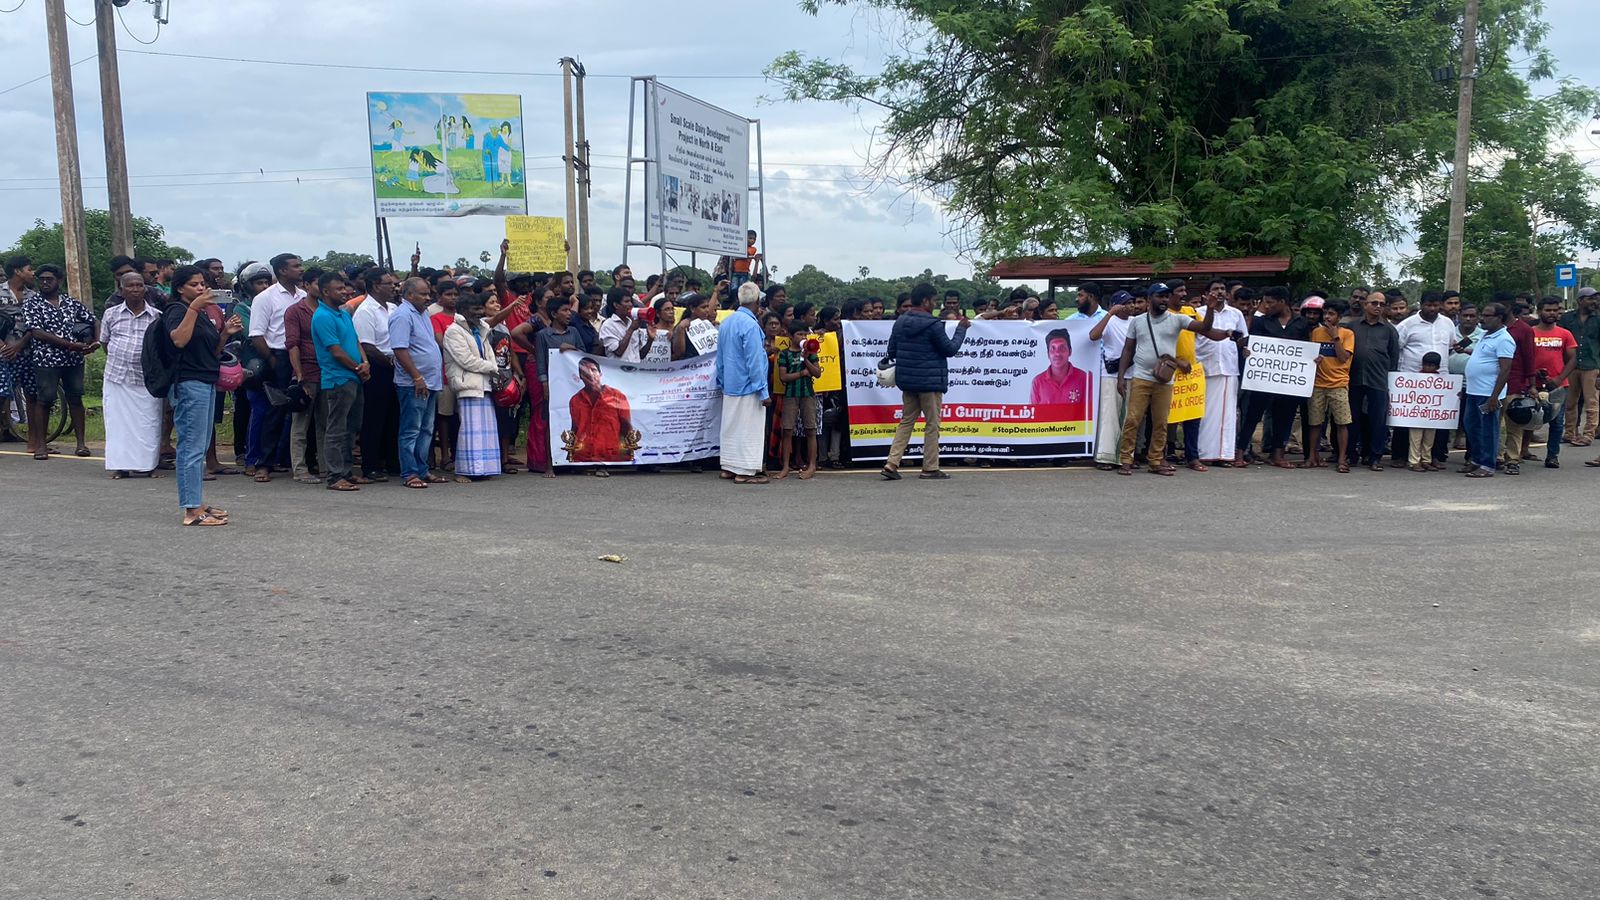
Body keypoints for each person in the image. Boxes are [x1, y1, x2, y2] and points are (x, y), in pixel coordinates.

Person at [1116, 283, 1224, 475]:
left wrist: (1209, 309)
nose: (1164, 300)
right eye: (1160, 296)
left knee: (1161, 422)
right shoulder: (1137, 321)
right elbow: (1128, 349)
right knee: (1132, 419)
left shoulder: (1177, 319)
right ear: (1149, 299)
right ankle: (1126, 459)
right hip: (1141, 377)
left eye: (1166, 296)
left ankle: (1155, 461)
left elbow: (1205, 328)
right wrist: (1121, 377)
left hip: (1164, 380)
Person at [164, 265, 242, 525]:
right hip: (188, 382)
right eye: (194, 284)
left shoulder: (201, 313)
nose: (201, 288)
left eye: (202, 284)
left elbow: (212, 351)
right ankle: (192, 510)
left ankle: (197, 501)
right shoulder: (177, 310)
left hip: (206, 379)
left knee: (200, 443)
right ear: (179, 288)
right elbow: (178, 340)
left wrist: (225, 333)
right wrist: (194, 308)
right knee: (191, 446)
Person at [881, 282, 971, 480]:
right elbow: (949, 349)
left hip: (908, 381)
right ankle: (930, 467)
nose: (936, 304)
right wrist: (961, 330)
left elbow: (892, 351)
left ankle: (891, 463)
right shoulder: (933, 324)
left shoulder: (900, 322)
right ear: (925, 301)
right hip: (930, 383)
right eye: (934, 300)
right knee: (932, 424)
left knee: (906, 422)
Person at [1232, 286, 1312, 470]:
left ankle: (1277, 455)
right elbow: (1254, 344)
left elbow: (1306, 348)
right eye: (1265, 302)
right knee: (1252, 415)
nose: (1266, 306)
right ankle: (1240, 453)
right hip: (1262, 380)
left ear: (1282, 302)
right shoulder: (1261, 322)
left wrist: (1312, 358)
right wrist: (1248, 351)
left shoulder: (1302, 323)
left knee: (1285, 417)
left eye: (1270, 302)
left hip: (1288, 381)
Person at [23, 264, 97, 460]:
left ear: (60, 281)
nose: (45, 282)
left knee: (76, 398)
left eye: (49, 279)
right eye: (41, 279)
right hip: (46, 359)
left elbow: (93, 320)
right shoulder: (32, 303)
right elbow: (36, 332)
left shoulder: (71, 303)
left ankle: (81, 444)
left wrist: (95, 342)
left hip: (73, 360)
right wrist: (69, 344)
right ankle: (41, 445)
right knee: (44, 400)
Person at [245, 253, 305, 481]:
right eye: (296, 266)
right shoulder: (266, 298)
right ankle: (264, 463)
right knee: (275, 412)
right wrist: (273, 361)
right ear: (282, 271)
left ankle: (292, 460)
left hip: (302, 355)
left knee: (301, 409)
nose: (301, 269)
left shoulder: (304, 296)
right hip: (278, 355)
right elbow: (257, 335)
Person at [99, 271, 163, 478]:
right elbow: (105, 343)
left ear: (145, 288)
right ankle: (121, 467)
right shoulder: (111, 314)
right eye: (131, 285)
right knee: (118, 424)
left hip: (146, 380)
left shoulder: (156, 316)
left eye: (139, 285)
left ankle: (148, 466)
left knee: (148, 423)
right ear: (121, 290)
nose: (136, 289)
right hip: (117, 377)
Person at [311, 272, 369, 492]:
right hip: (338, 378)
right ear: (326, 292)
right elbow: (335, 351)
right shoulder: (322, 316)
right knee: (336, 428)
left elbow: (355, 341)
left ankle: (346, 471)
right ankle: (335, 476)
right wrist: (357, 367)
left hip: (354, 377)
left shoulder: (343, 314)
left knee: (351, 428)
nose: (345, 292)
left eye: (345, 288)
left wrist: (365, 362)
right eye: (339, 289)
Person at [390, 276, 446, 489]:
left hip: (430, 381)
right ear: (410, 294)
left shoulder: (422, 314)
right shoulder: (402, 315)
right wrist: (416, 377)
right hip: (413, 383)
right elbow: (400, 349)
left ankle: (422, 470)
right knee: (411, 429)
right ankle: (410, 473)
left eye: (428, 293)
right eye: (423, 294)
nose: (428, 297)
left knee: (426, 429)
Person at [441, 293, 503, 481]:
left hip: (484, 384)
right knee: (469, 430)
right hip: (467, 384)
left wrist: (493, 368)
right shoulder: (453, 331)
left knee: (485, 430)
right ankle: (463, 470)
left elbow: (489, 353)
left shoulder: (481, 328)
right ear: (463, 310)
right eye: (475, 309)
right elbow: (466, 360)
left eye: (480, 308)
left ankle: (482, 469)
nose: (479, 312)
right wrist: (492, 368)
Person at [715, 281, 771, 484]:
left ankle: (729, 467)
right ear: (757, 302)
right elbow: (754, 361)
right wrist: (763, 391)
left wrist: (722, 382)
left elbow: (720, 358)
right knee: (749, 429)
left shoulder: (727, 322)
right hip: (749, 387)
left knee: (731, 427)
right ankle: (745, 472)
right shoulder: (750, 325)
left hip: (730, 384)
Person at [1393, 291, 1457, 467]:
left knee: (1438, 420)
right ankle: (1401, 456)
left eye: (1436, 305)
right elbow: (1397, 348)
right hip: (1412, 380)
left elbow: (1450, 346)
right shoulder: (1407, 325)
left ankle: (1434, 457)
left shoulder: (1448, 323)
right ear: (1421, 305)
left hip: (1440, 380)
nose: (1432, 309)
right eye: (1429, 305)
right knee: (1407, 419)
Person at [528, 296, 585, 476]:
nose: (569, 314)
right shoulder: (543, 335)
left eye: (569, 310)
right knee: (551, 423)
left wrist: (572, 349)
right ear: (554, 314)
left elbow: (584, 356)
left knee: (575, 420)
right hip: (554, 384)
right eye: (564, 311)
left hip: (573, 384)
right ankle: (550, 464)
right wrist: (544, 384)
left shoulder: (574, 332)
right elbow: (541, 363)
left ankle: (576, 460)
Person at [1194, 281, 1249, 466]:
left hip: (1227, 368)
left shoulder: (1235, 313)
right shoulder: (1198, 312)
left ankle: (1223, 455)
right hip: (1202, 367)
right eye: (1215, 289)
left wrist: (1245, 348)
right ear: (1206, 293)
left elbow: (1243, 339)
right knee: (1203, 414)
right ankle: (1201, 453)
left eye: (1222, 289)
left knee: (1227, 415)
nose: (1219, 292)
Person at [354, 267, 402, 481]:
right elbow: (367, 346)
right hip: (379, 367)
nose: (394, 287)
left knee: (394, 417)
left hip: (398, 365)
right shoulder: (366, 311)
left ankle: (392, 462)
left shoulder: (393, 308)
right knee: (374, 418)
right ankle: (371, 465)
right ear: (375, 286)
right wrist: (390, 363)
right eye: (389, 284)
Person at [1347, 291, 1400, 471]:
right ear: (1365, 305)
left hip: (1378, 380)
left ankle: (1375, 456)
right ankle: (1351, 454)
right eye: (1374, 303)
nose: (1378, 307)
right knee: (1352, 418)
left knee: (1378, 420)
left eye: (1381, 304)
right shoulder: (1353, 326)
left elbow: (1393, 357)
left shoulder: (1389, 330)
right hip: (1354, 379)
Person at [1089, 290, 1141, 469]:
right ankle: (1105, 456)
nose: (1131, 306)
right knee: (1109, 416)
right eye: (1126, 303)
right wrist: (1110, 314)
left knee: (1129, 417)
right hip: (1110, 374)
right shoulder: (1110, 321)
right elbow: (1094, 335)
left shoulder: (1135, 321)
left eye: (1132, 302)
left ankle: (1125, 456)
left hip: (1132, 372)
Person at [1464, 303, 1515, 478]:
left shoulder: (1504, 339)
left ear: (1499, 318)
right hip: (1473, 390)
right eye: (1483, 315)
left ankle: (1487, 465)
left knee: (1488, 430)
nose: (1482, 319)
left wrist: (1494, 396)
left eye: (1487, 316)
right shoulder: (1485, 335)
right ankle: (1477, 460)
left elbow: (1505, 369)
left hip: (1488, 393)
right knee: (1471, 426)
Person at [283, 275, 325, 484]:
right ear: (307, 285)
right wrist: (299, 376)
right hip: (307, 371)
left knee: (325, 424)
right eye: (317, 283)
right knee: (300, 425)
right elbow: (293, 344)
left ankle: (327, 468)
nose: (322, 288)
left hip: (327, 372)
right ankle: (299, 469)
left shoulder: (328, 310)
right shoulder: (295, 311)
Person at [1305, 298, 1355, 472]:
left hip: (1338, 384)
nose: (1327, 317)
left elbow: (1343, 358)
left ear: (1339, 317)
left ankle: (1342, 459)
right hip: (1318, 384)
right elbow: (1309, 356)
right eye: (1325, 313)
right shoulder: (1316, 332)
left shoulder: (1347, 334)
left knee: (1342, 422)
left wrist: (1335, 337)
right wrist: (1315, 360)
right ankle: (1312, 456)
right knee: (1315, 422)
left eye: (1331, 314)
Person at [1530, 297, 1576, 469]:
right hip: (1533, 384)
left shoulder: (1565, 334)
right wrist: (1533, 374)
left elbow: (1572, 359)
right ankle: (1521, 452)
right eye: (1548, 310)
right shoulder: (1530, 332)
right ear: (1539, 311)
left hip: (1558, 385)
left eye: (1556, 310)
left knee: (1556, 422)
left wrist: (1558, 379)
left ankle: (1552, 456)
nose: (1552, 313)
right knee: (1529, 418)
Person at [775, 319, 822, 480]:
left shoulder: (811, 352)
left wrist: (805, 359)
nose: (803, 337)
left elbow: (817, 373)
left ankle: (812, 466)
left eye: (804, 334)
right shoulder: (784, 354)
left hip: (807, 394)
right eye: (799, 334)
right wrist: (802, 373)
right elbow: (783, 377)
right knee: (787, 430)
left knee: (810, 429)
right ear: (790, 336)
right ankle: (785, 467)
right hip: (790, 395)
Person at [565, 356, 635, 465]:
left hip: (611, 457)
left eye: (593, 370)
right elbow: (575, 428)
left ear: (600, 374)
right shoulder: (575, 400)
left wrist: (629, 454)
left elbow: (627, 428)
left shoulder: (617, 396)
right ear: (580, 376)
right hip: (583, 458)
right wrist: (570, 452)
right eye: (585, 371)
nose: (590, 374)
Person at [1499, 296, 1539, 472]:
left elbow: (1529, 358)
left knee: (1513, 424)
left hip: (1514, 383)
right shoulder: (1493, 328)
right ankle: (1497, 457)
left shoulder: (1524, 330)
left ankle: (1513, 459)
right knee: (1496, 424)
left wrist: (1532, 385)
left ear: (1509, 308)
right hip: (1492, 384)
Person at [1559, 286, 1600, 447]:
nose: (1594, 302)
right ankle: (1570, 432)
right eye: (1590, 298)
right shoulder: (1567, 318)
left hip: (1591, 365)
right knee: (1570, 402)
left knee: (1592, 402)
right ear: (1580, 301)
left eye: (1595, 298)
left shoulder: (1598, 319)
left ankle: (1588, 434)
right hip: (1571, 366)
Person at [1029, 327, 1091, 423]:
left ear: (1070, 351)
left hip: (1075, 431)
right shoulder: (1037, 382)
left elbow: (1089, 414)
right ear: (1048, 354)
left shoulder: (1084, 378)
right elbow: (1033, 417)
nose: (1057, 353)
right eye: (1053, 349)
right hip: (1045, 431)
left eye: (1062, 348)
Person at [599, 287, 657, 362]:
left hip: (635, 368)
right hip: (618, 369)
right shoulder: (608, 325)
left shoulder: (631, 322)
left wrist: (650, 339)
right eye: (626, 301)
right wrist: (631, 329)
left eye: (630, 301)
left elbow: (641, 355)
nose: (630, 304)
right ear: (616, 305)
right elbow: (618, 352)